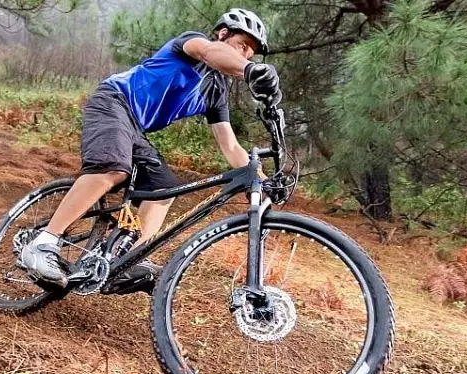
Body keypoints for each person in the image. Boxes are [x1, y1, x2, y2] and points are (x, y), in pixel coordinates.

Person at [20, 8, 282, 291]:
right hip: (114, 101)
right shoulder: (192, 44)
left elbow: (230, 146)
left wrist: (262, 181)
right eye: (242, 45)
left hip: (136, 128)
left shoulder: (215, 92)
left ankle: (124, 262)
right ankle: (43, 243)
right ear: (223, 33)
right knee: (113, 169)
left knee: (163, 190)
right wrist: (249, 70)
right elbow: (210, 52)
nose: (246, 55)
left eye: (251, 53)